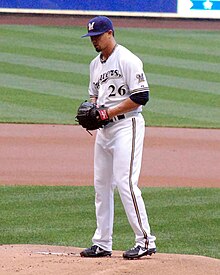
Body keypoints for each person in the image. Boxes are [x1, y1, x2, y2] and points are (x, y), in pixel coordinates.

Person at [80, 16, 156, 259]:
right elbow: (94, 95)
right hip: (104, 131)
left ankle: (145, 241)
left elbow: (142, 96)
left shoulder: (127, 59)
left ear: (111, 33)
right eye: (91, 37)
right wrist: (93, 110)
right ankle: (102, 242)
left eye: (98, 36)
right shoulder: (95, 64)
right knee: (101, 186)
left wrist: (108, 112)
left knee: (126, 183)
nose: (94, 41)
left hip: (127, 126)